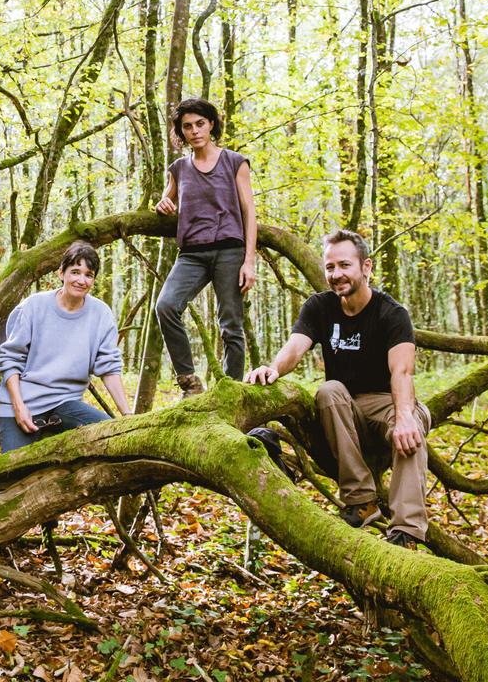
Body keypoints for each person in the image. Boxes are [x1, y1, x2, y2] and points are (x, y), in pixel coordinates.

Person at [244, 229, 431, 550]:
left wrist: (403, 416)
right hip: (345, 408)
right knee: (328, 390)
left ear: (366, 267)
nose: (336, 274)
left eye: (344, 265)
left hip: (389, 402)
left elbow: (402, 371)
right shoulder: (320, 307)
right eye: (330, 267)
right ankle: (362, 502)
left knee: (410, 429)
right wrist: (272, 369)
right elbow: (295, 348)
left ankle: (408, 532)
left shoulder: (392, 313)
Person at [154, 98, 257, 395]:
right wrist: (164, 205)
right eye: (187, 126)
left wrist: (249, 261)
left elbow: (250, 212)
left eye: (200, 124)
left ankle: (230, 392)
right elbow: (167, 200)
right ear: (181, 132)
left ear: (211, 124)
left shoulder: (235, 162)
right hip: (191, 254)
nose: (195, 131)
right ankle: (189, 382)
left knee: (231, 326)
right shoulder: (179, 168)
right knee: (166, 306)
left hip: (229, 250)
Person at [0, 241, 133, 451]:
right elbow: (10, 359)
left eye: (88, 275)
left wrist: (128, 417)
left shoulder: (101, 314)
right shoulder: (34, 306)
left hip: (65, 403)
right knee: (15, 472)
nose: (81, 280)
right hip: (23, 400)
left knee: (113, 441)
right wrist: (18, 406)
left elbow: (109, 367)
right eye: (75, 272)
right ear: (61, 273)